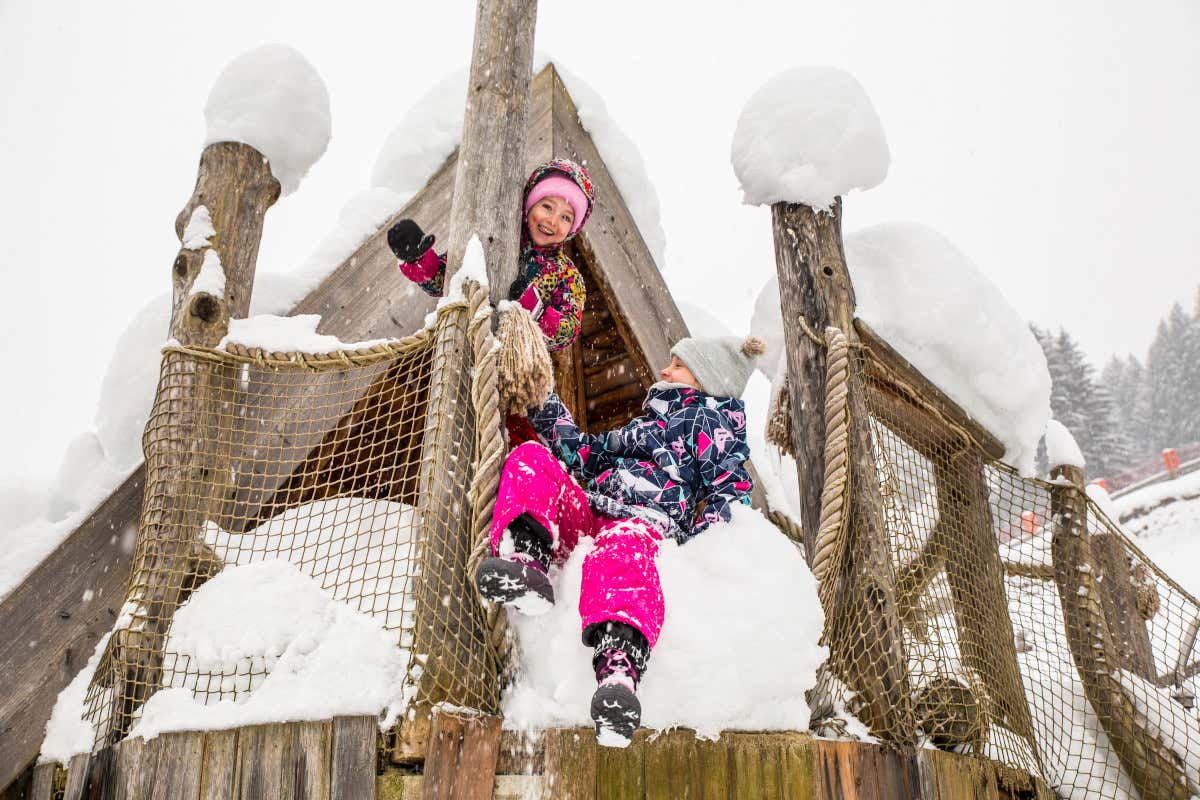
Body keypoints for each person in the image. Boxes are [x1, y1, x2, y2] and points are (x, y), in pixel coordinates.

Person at [475, 335, 765, 746]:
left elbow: (730, 491)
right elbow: (584, 454)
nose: (665, 371)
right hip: (592, 511)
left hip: (642, 522)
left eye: (678, 365)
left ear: (706, 378)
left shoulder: (709, 423)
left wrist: (704, 549)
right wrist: (542, 399)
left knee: (621, 553)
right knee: (531, 460)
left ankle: (618, 671)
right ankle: (527, 559)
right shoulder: (646, 425)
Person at [387, 158, 594, 352]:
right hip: (467, 347)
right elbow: (448, 276)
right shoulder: (494, 236)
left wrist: (536, 310)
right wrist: (420, 260)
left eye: (566, 217)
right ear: (530, 204)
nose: (553, 221)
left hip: (518, 363)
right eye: (547, 206)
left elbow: (567, 332)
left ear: (573, 229)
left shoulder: (567, 275)